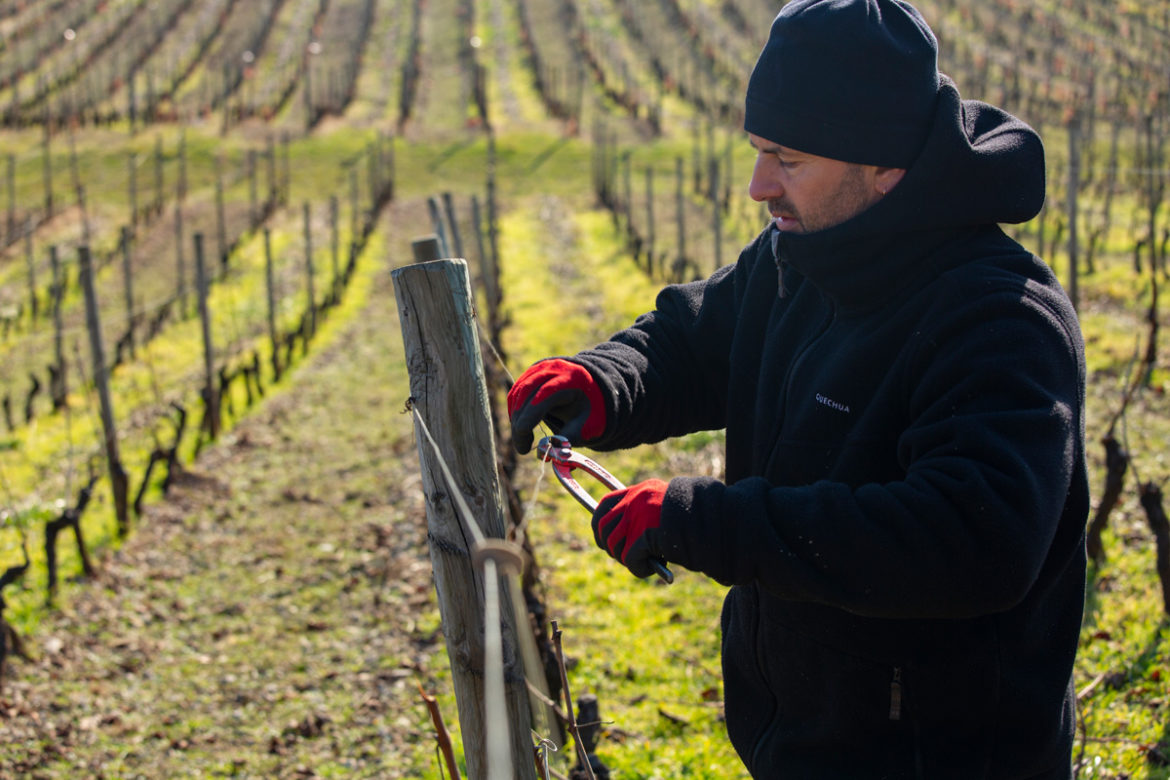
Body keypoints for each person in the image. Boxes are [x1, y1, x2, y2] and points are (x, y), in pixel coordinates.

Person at [507, 0, 1088, 776]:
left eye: (789, 158)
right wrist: (604, 383)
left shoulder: (1001, 319)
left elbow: (970, 539)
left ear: (884, 163)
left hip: (936, 755)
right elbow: (697, 341)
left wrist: (706, 522)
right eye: (758, 150)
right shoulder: (801, 251)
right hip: (807, 738)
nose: (758, 186)